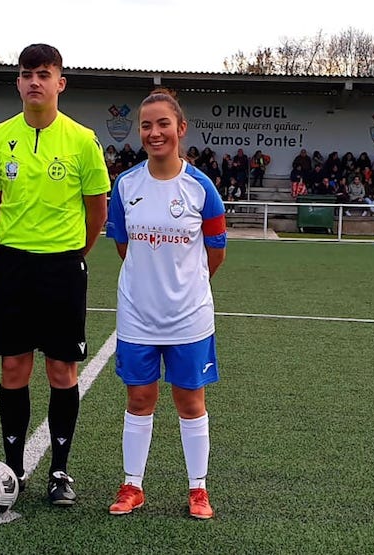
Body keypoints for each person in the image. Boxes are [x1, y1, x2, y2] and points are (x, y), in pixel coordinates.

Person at [0, 43, 110, 506]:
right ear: (17, 82)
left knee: (61, 369)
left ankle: (59, 471)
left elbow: (98, 210)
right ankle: (12, 470)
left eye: (44, 73)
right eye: (26, 73)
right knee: (14, 367)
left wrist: (75, 253)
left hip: (62, 267)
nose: (34, 81)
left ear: (60, 82)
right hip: (13, 265)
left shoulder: (83, 139)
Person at [105, 88, 226, 520]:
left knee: (191, 402)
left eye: (162, 124)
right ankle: (132, 485)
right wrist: (150, 283)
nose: (154, 133)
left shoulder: (201, 187)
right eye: (146, 125)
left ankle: (198, 489)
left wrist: (185, 286)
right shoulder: (126, 184)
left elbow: (216, 249)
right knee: (139, 399)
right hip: (138, 314)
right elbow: (123, 245)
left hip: (188, 317)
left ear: (180, 128)